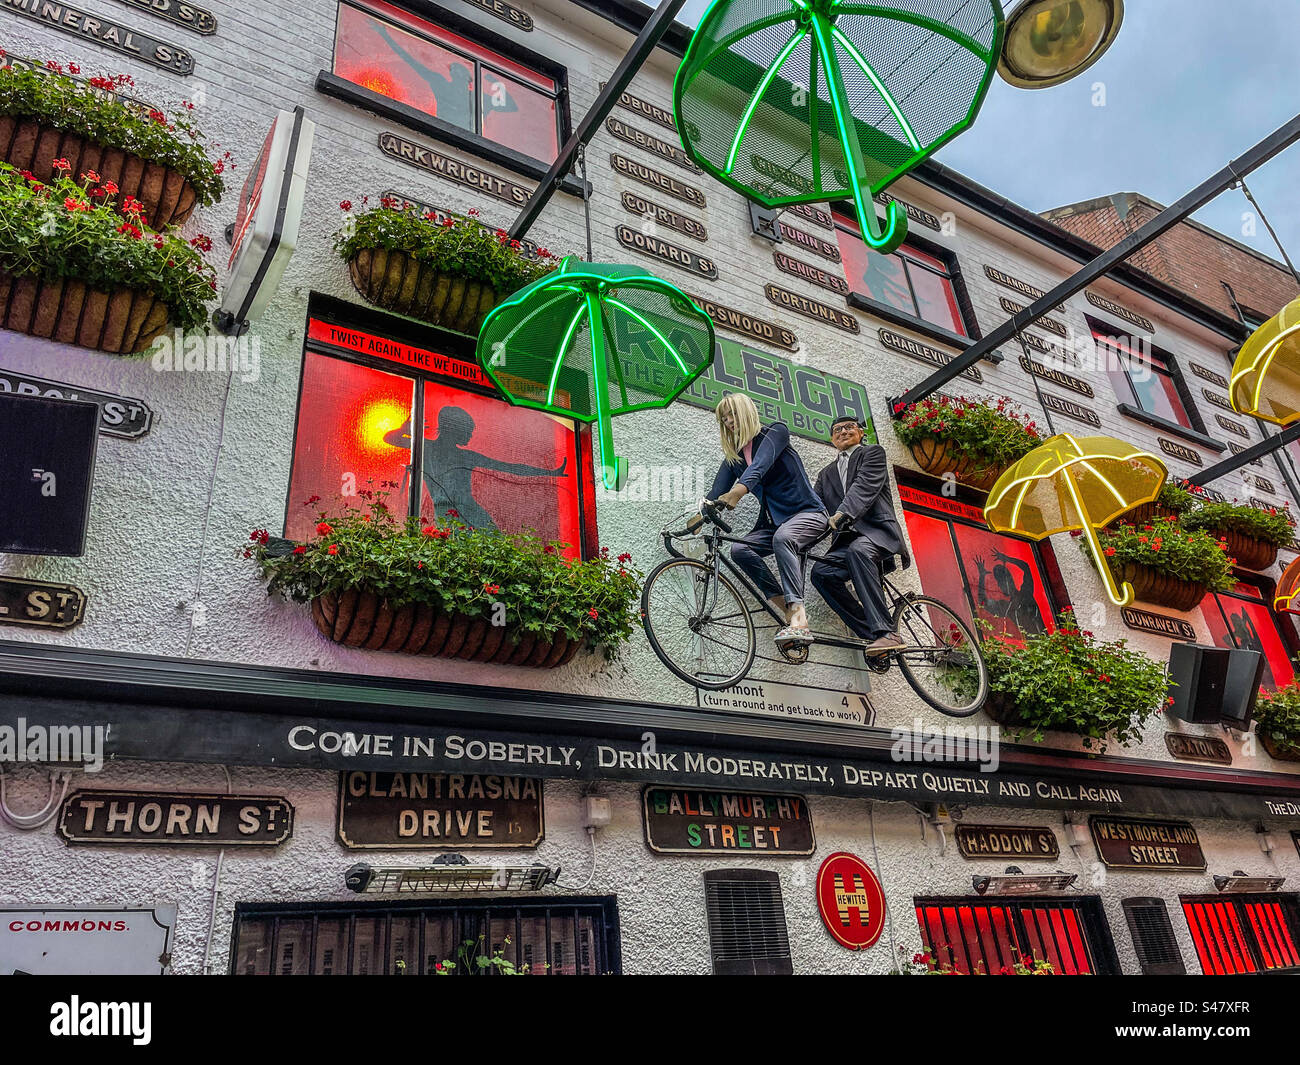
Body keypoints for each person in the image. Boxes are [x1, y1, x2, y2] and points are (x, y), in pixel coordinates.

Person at [702, 394, 828, 642]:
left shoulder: (774, 433)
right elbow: (715, 492)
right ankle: (788, 610)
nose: (729, 422)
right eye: (724, 419)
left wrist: (738, 492)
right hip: (774, 522)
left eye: (733, 415)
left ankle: (800, 618)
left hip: (809, 514)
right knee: (739, 549)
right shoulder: (735, 458)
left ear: (746, 411)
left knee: (784, 538)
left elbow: (760, 466)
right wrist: (699, 517)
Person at [809, 416, 911, 656]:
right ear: (832, 438)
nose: (843, 432)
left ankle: (887, 633)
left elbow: (865, 486)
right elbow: (816, 507)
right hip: (847, 541)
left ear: (860, 433)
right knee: (821, 573)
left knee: (859, 551)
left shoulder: (872, 453)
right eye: (837, 430)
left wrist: (843, 512)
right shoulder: (826, 474)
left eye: (849, 427)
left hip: (878, 533)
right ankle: (870, 635)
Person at [384, 405, 567, 531]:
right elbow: (390, 438)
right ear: (454, 429)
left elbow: (511, 468)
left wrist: (550, 473)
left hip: (473, 511)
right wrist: (404, 428)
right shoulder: (426, 447)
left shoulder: (466, 456)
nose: (471, 435)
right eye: (468, 430)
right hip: (447, 512)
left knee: (494, 546)